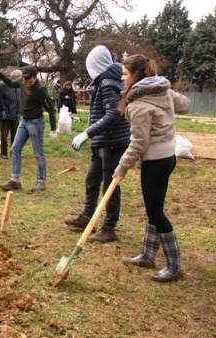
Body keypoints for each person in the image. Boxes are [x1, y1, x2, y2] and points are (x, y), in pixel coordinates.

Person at [114, 54, 191, 282]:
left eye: (125, 74)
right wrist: (167, 93)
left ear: (136, 75)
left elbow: (139, 143)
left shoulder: (139, 105)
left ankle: (175, 266)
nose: (122, 77)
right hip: (168, 157)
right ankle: (148, 255)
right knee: (154, 207)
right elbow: (185, 105)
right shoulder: (160, 90)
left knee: (156, 212)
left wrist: (121, 168)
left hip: (156, 162)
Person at [64, 45, 131, 242]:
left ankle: (109, 228)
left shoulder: (109, 83)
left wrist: (87, 133)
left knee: (110, 185)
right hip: (102, 142)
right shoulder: (104, 82)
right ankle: (87, 216)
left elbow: (114, 114)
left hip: (113, 142)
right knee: (92, 180)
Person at [0, 65, 57, 192]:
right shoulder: (22, 81)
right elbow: (11, 83)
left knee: (38, 153)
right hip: (25, 121)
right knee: (15, 148)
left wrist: (53, 129)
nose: (27, 84)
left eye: (30, 82)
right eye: (25, 81)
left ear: (35, 77)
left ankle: (41, 182)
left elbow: (50, 108)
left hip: (36, 123)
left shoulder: (40, 89)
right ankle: (15, 180)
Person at [0, 68, 22, 160]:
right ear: (15, 77)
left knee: (16, 135)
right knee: (4, 135)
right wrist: (3, 110)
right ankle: (3, 153)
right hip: (6, 114)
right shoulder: (3, 85)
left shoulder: (19, 86)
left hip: (16, 114)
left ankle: (14, 152)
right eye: (20, 77)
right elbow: (0, 98)